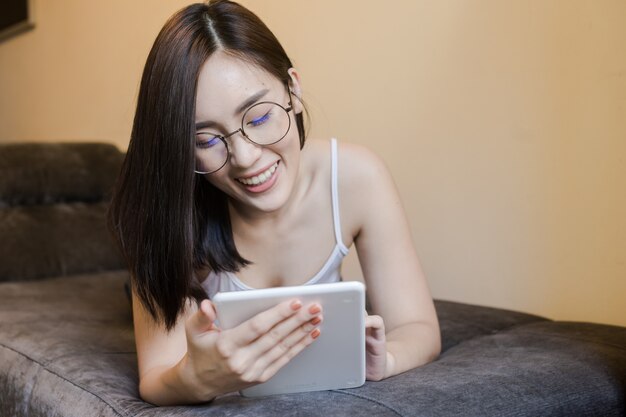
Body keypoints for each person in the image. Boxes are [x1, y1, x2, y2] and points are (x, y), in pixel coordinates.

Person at [108, 0, 440, 406]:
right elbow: (157, 376)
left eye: (259, 117)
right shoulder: (166, 216)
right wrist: (194, 378)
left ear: (294, 90)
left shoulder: (356, 177)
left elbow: (417, 326)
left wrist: (383, 360)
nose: (246, 159)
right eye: (206, 140)